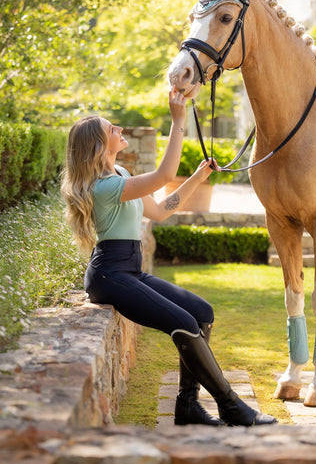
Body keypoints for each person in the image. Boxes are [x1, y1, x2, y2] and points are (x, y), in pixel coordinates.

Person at [61, 86, 277, 427]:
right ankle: (231, 405)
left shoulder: (121, 176)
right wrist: (178, 121)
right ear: (100, 146)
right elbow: (162, 176)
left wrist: (196, 178)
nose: (119, 130)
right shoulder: (104, 188)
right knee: (185, 323)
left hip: (128, 270)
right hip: (110, 275)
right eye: (111, 129)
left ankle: (188, 406)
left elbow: (160, 211)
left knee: (202, 313)